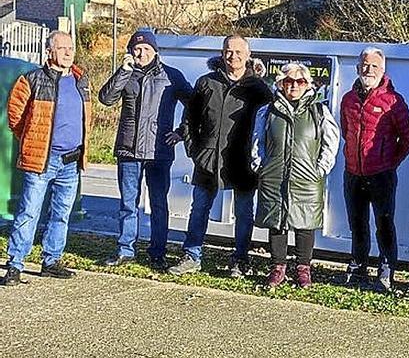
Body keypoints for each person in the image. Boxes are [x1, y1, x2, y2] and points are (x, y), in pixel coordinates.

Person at [168, 35, 273, 277]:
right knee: (199, 209)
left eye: (238, 52)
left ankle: (240, 259)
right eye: (228, 51)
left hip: (243, 162)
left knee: (244, 212)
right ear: (222, 53)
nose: (232, 56)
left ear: (248, 55)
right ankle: (192, 255)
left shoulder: (258, 88)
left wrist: (260, 158)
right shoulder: (206, 82)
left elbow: (269, 125)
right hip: (208, 159)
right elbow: (190, 119)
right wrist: (195, 151)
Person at [98, 29, 193, 271]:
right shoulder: (126, 74)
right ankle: (125, 249)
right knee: (128, 204)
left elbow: (195, 105)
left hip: (159, 151)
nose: (141, 53)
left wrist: (182, 132)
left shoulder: (172, 76)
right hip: (128, 150)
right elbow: (106, 99)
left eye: (146, 49)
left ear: (155, 51)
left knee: (159, 204)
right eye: (136, 49)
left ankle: (157, 252)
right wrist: (123, 71)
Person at [2, 31, 91, 286]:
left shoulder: (80, 79)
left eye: (70, 48)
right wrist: (32, 141)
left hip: (71, 162)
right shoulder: (31, 80)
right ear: (49, 51)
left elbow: (87, 117)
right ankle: (15, 264)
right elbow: (15, 117)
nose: (67, 52)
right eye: (62, 48)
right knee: (29, 212)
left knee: (61, 213)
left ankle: (51, 261)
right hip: (42, 160)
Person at [251, 62, 340, 288]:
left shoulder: (320, 111)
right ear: (281, 83)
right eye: (288, 81)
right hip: (275, 175)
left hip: (307, 178)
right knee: (277, 222)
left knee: (305, 224)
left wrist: (320, 169)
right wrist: (260, 165)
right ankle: (278, 267)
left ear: (307, 84)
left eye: (299, 81)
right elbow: (257, 141)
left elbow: (331, 143)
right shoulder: (268, 111)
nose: (294, 86)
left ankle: (303, 268)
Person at [339, 47, 409, 292]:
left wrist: (389, 161)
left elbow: (408, 137)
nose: (368, 70)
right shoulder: (348, 99)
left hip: (381, 174)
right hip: (353, 172)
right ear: (358, 66)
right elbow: (345, 131)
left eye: (374, 66)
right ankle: (358, 265)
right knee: (357, 223)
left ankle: (386, 270)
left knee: (384, 224)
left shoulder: (393, 101)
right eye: (364, 64)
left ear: (383, 70)